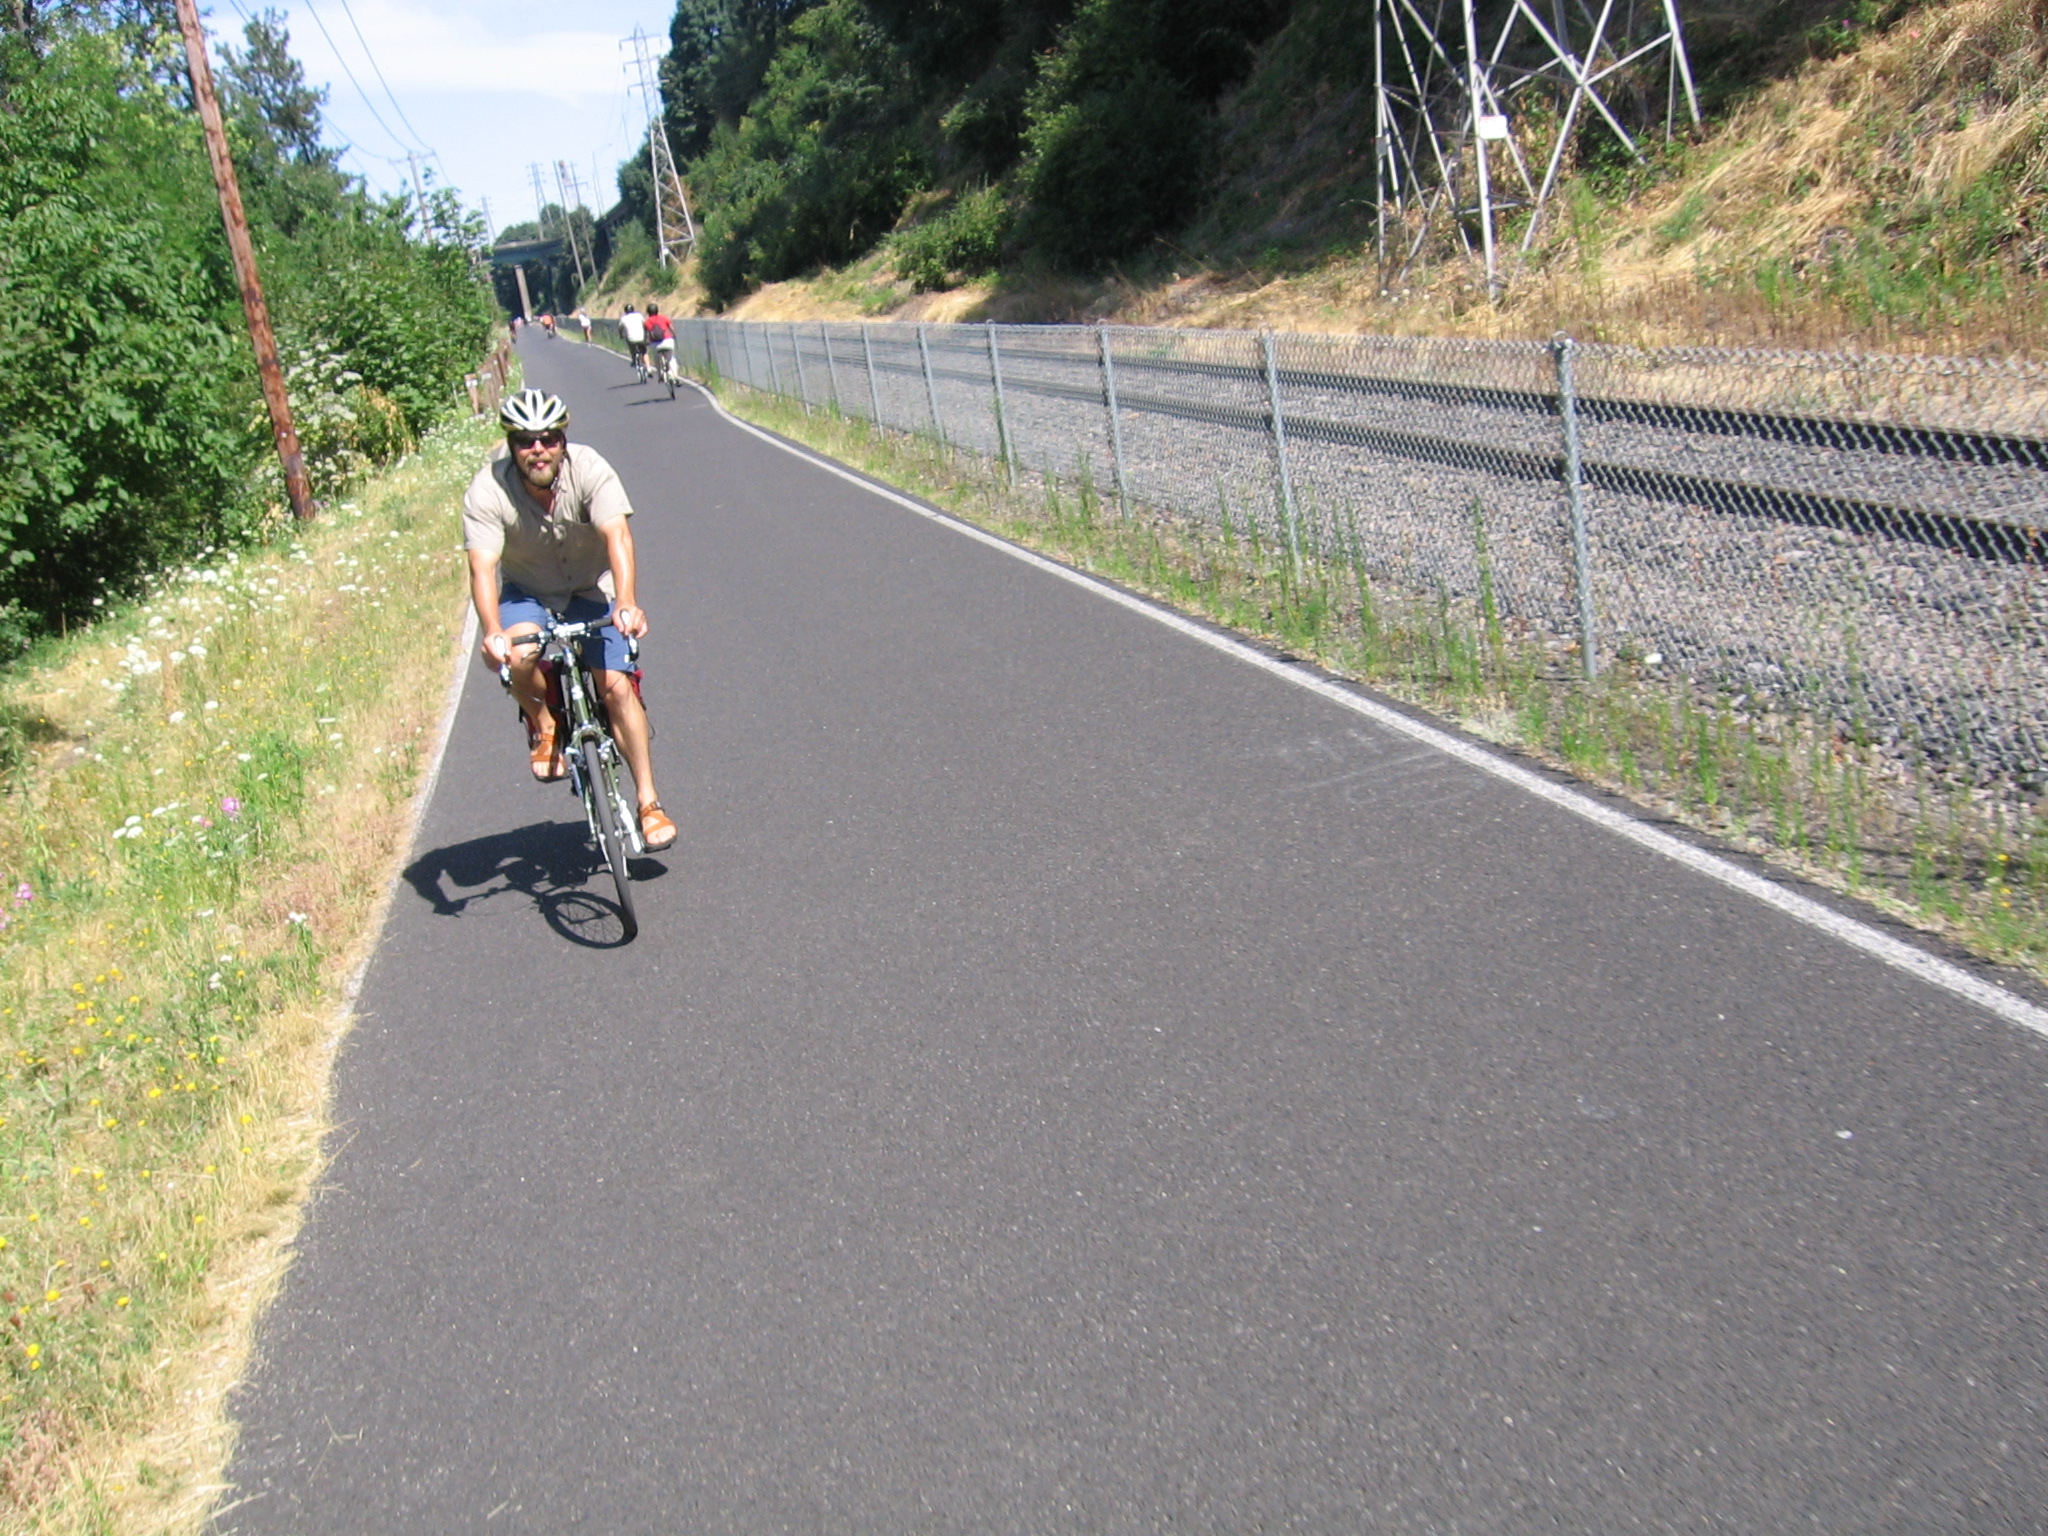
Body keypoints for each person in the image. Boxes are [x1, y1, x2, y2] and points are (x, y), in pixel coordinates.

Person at [462, 388, 676, 851]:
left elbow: (617, 533)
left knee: (617, 687)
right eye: (524, 440)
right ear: (511, 444)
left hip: (587, 587)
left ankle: (648, 802)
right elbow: (481, 566)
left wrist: (626, 600)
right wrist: (493, 631)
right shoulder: (487, 489)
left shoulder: (591, 468)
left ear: (562, 439)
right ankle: (545, 723)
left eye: (547, 438)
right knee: (519, 655)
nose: (537, 449)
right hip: (528, 591)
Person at [645, 304, 676, 380]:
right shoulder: (664, 318)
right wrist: (674, 335)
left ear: (648, 312)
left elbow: (646, 334)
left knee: (657, 359)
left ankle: (660, 375)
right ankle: (676, 376)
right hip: (668, 340)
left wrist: (646, 342)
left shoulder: (646, 322)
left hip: (656, 343)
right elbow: (671, 328)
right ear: (657, 310)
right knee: (671, 358)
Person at [618, 304, 647, 373]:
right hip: (641, 337)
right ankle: (646, 365)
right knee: (644, 351)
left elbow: (620, 328)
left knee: (631, 346)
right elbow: (645, 324)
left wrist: (621, 335)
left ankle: (634, 359)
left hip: (631, 339)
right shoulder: (639, 315)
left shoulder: (623, 318)